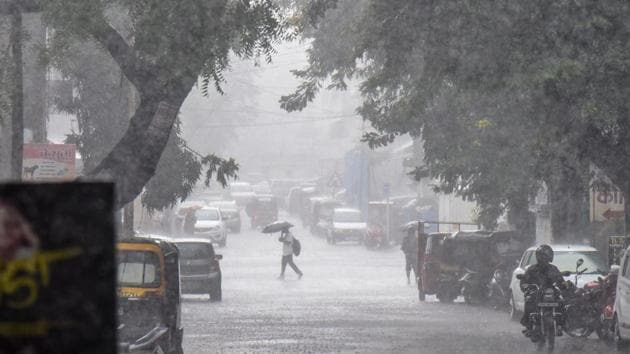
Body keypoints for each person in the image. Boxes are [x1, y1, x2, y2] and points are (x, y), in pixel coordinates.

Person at [519, 244, 566, 338]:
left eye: (547, 256)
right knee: (529, 300)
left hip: (551, 293)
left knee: (561, 302)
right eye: (543, 256)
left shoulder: (553, 269)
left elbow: (560, 281)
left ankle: (560, 324)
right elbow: (524, 281)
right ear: (539, 257)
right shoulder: (531, 269)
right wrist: (527, 287)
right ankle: (529, 325)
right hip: (537, 293)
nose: (545, 258)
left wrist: (565, 285)